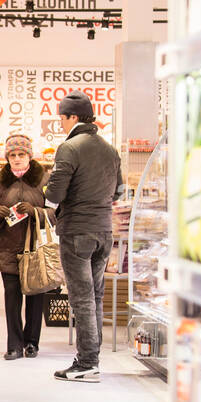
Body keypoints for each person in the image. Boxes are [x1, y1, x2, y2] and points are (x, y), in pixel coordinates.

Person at [45, 92, 123, 383]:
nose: (61, 124)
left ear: (73, 117)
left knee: (81, 298)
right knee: (96, 296)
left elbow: (54, 195)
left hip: (77, 231)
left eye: (62, 118)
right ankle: (93, 359)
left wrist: (50, 198)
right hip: (104, 230)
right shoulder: (110, 150)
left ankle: (87, 362)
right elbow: (117, 192)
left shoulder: (70, 148)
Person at [0, 134, 50, 360]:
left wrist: (36, 212)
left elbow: (57, 213)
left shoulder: (44, 181)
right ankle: (14, 345)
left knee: (35, 296)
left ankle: (32, 343)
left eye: (21, 154)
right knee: (11, 297)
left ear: (29, 155)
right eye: (12, 155)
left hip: (35, 248)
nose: (17, 159)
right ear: (7, 157)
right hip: (8, 248)